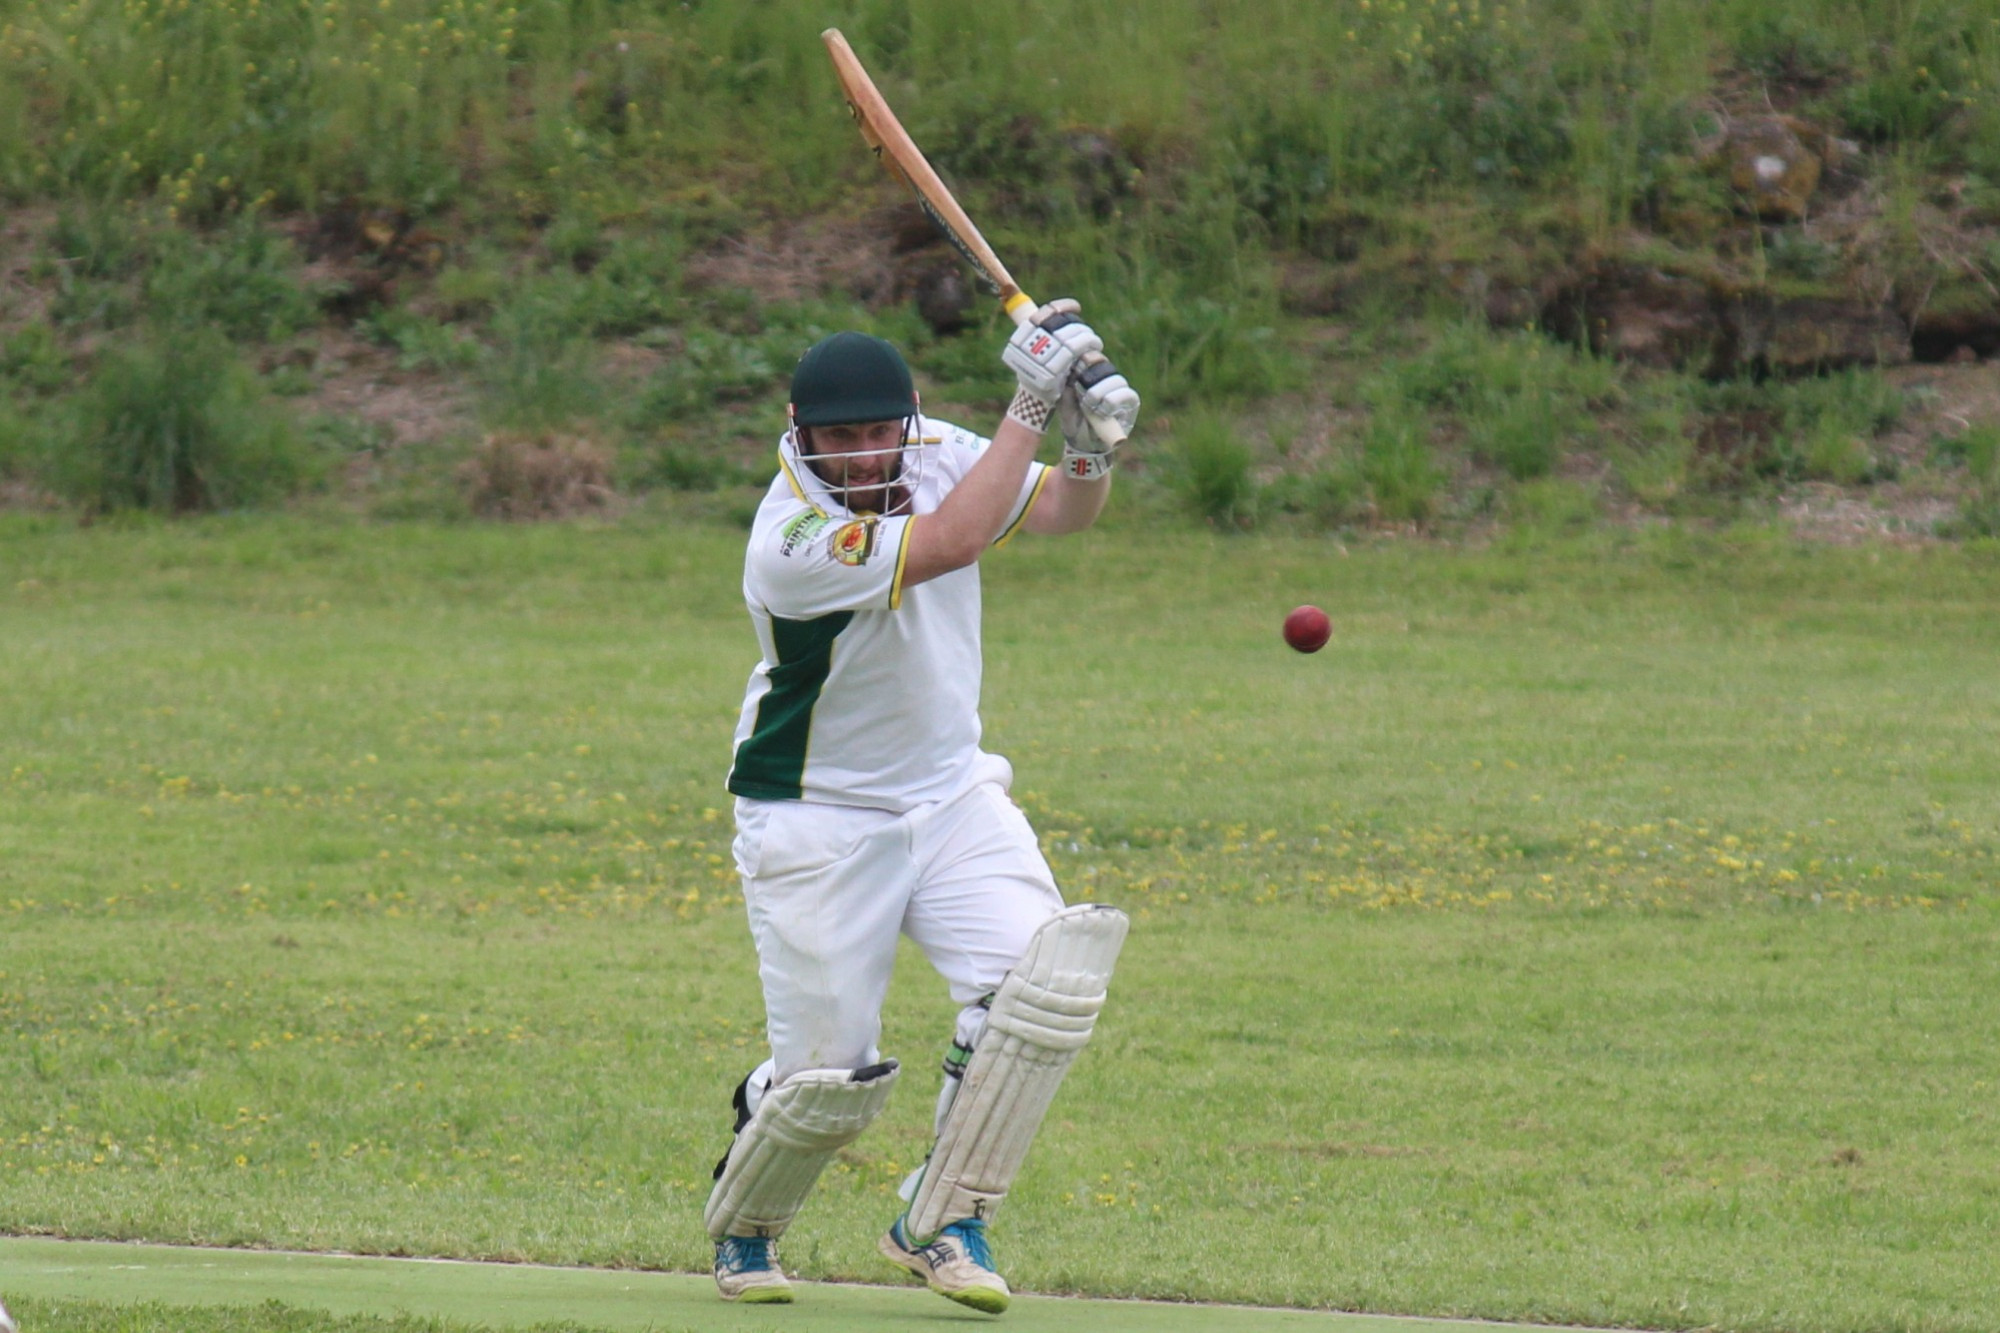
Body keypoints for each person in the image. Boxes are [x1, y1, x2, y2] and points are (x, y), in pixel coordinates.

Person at [704, 303, 1140, 1313]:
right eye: (836, 437)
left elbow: (1060, 516)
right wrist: (1034, 397)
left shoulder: (940, 447)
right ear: (795, 429)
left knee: (1040, 988)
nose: (859, 454)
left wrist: (1083, 447)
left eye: (875, 432)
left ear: (907, 419)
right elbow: (944, 543)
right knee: (827, 1088)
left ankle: (940, 1217)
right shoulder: (793, 536)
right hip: (815, 812)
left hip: (948, 792)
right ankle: (747, 1216)